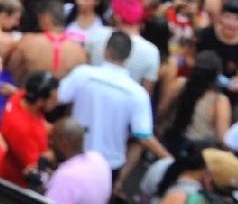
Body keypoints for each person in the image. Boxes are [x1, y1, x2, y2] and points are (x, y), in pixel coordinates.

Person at [58, 31, 167, 178]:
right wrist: (168, 159)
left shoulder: (82, 74)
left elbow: (59, 97)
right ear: (128, 56)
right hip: (108, 165)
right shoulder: (137, 93)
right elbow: (144, 135)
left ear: (105, 50)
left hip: (73, 154)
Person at [42, 118, 112, 204]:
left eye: (52, 138)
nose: (50, 142)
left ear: (64, 142)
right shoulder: (98, 159)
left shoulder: (66, 177)